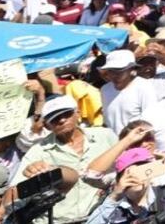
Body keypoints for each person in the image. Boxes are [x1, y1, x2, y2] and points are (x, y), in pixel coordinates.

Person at [8, 96, 117, 224]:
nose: (62, 120)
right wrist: (32, 176)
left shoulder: (105, 136)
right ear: (47, 125)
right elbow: (14, 193)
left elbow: (125, 166)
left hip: (99, 216)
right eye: (54, 119)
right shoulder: (38, 151)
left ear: (78, 113)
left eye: (67, 114)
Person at [84, 146, 165, 224]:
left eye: (142, 172)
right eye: (130, 173)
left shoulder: (163, 193)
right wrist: (114, 196)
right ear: (119, 179)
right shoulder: (113, 205)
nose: (137, 178)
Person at [98, 49, 163, 136]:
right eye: (111, 71)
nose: (115, 75)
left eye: (120, 71)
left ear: (131, 69)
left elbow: (151, 120)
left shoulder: (144, 87)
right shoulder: (105, 89)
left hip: (135, 142)